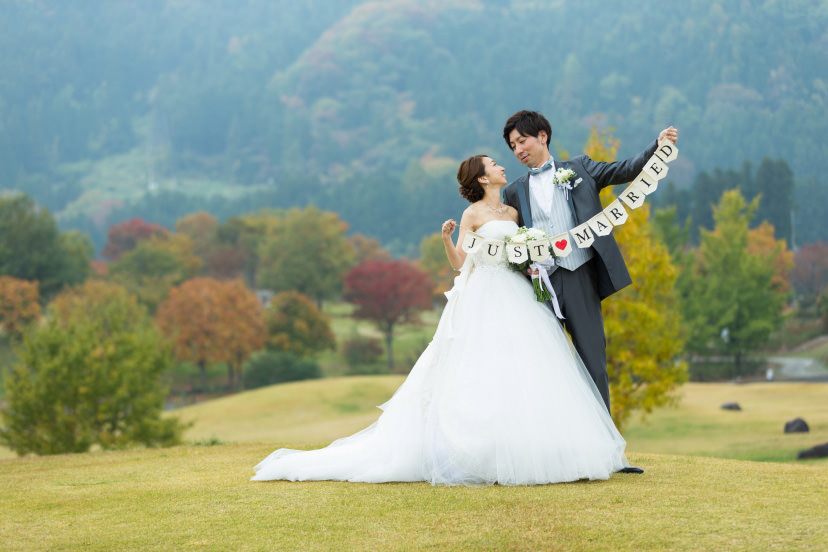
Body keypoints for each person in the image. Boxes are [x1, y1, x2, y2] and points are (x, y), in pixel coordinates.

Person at [251, 154, 630, 486]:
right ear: (483, 178)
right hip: (485, 293)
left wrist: (529, 263)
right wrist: (448, 239)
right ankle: (479, 450)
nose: (502, 165)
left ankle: (528, 444)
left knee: (525, 367)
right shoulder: (472, 214)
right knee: (482, 368)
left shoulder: (514, 213)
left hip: (518, 292)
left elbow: (523, 253)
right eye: (494, 164)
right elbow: (461, 262)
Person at [502, 110, 679, 414]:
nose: (518, 150)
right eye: (512, 146)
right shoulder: (512, 191)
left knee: (592, 362)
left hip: (579, 275)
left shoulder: (580, 168)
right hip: (540, 287)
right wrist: (523, 266)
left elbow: (625, 169)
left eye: (522, 141)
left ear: (542, 136)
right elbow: (511, 241)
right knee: (545, 364)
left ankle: (604, 440)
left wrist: (657, 145)